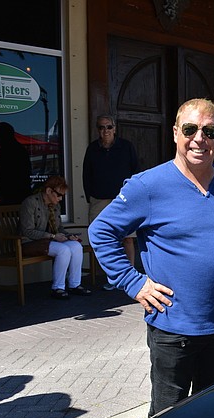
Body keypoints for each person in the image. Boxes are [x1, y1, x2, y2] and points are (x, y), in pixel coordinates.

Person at [89, 98, 214, 417]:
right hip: (173, 329)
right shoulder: (148, 186)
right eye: (190, 129)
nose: (200, 138)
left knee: (213, 412)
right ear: (175, 134)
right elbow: (101, 231)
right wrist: (134, 283)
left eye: (210, 131)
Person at [83, 114, 139, 288]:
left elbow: (135, 171)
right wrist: (90, 195)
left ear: (114, 128)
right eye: (101, 127)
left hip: (123, 200)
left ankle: (130, 278)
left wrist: (134, 195)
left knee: (127, 239)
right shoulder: (92, 149)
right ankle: (111, 277)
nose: (105, 131)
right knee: (101, 238)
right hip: (99, 199)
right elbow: (86, 174)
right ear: (97, 130)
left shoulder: (126, 147)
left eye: (108, 127)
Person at [19, 176, 92, 299]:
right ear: (48, 191)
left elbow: (59, 229)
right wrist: (52, 236)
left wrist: (68, 236)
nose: (60, 198)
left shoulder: (55, 206)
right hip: (30, 243)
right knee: (63, 250)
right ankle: (58, 288)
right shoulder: (30, 203)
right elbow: (27, 231)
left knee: (76, 246)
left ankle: (75, 284)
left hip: (49, 241)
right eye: (58, 195)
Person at [0, 122, 32, 204]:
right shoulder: (10, 150)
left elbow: (10, 175)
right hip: (13, 195)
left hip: (14, 196)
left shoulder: (12, 151)